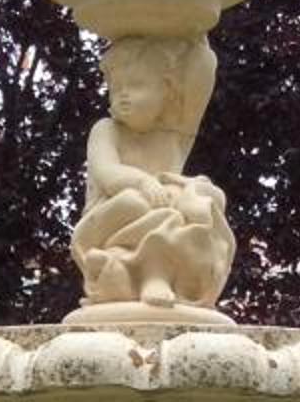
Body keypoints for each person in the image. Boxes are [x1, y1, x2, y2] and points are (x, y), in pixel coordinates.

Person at [71, 36, 234, 312]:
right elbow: (107, 173)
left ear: (168, 92)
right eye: (116, 88)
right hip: (109, 219)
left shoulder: (175, 134)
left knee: (203, 201)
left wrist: (196, 33)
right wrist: (143, 181)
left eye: (137, 85)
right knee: (137, 202)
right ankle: (142, 274)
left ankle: (146, 274)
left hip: (162, 211)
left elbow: (202, 75)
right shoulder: (106, 129)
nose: (123, 95)